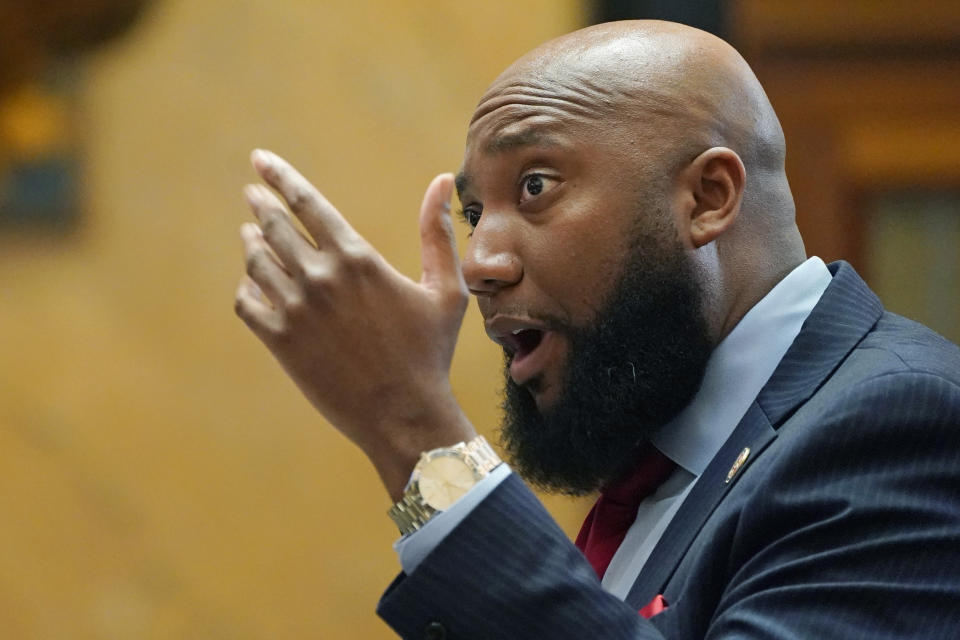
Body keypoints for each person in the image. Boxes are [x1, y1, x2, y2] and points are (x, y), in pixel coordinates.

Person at [234, 20, 960, 640]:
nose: (480, 263)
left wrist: (412, 431)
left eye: (535, 187)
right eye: (475, 214)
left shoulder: (901, 424)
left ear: (708, 197)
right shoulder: (656, 458)